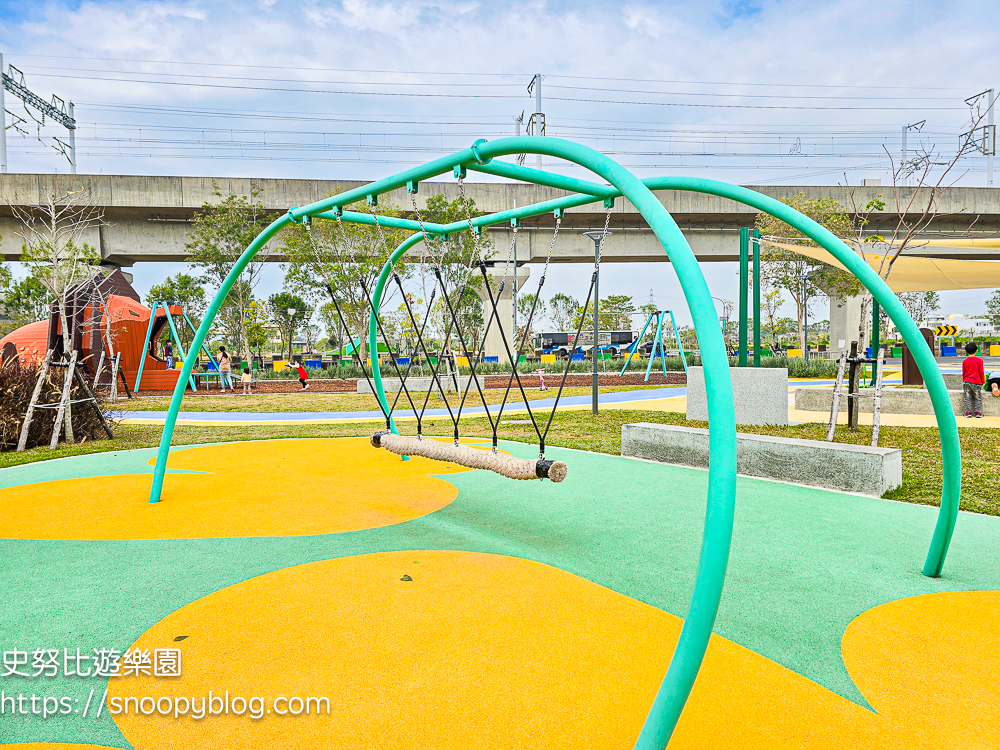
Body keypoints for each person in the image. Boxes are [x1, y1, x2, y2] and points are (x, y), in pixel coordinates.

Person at [961, 342, 985, 418]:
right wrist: (983, 381)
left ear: (966, 351)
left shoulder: (964, 361)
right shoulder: (979, 360)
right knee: (977, 397)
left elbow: (963, 372)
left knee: (967, 397)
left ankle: (968, 413)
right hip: (976, 382)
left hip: (967, 382)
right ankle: (978, 413)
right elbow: (981, 371)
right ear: (976, 350)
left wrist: (964, 380)